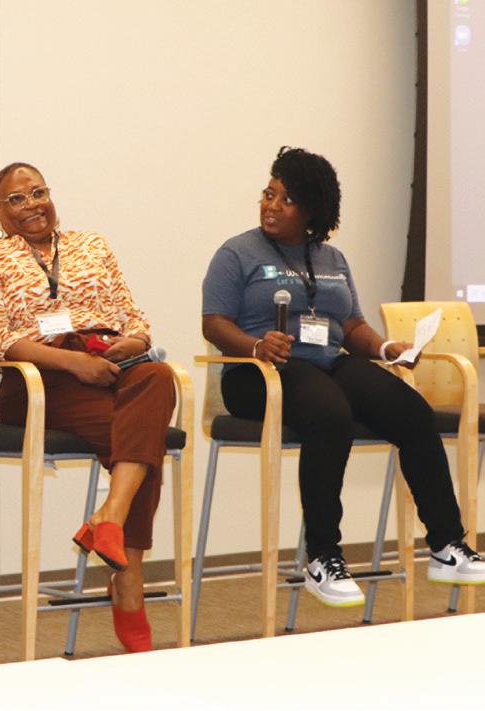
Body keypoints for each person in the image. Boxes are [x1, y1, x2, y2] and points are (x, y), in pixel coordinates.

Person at [201, 146, 485, 607]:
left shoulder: (331, 258)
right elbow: (213, 323)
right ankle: (322, 556)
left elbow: (351, 325)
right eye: (268, 194)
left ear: (312, 210)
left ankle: (446, 545)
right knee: (330, 414)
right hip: (259, 373)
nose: (272, 206)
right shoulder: (237, 253)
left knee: (412, 412)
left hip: (327, 364)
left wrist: (387, 349)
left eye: (286, 199)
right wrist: (256, 346)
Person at [0, 162, 177, 653]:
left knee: (159, 376)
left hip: (108, 363)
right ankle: (129, 583)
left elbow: (133, 316)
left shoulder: (92, 245)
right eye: (17, 199)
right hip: (39, 379)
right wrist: (73, 363)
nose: (31, 205)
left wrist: (132, 342)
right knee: (141, 439)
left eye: (38, 192)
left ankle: (109, 517)